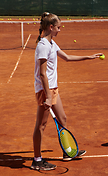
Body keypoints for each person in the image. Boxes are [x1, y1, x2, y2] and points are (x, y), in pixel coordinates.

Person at [31, 12, 103, 171]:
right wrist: (48, 96)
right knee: (41, 126)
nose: (59, 30)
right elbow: (42, 74)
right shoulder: (43, 45)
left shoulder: (51, 44)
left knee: (62, 118)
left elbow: (67, 57)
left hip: (52, 88)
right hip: (45, 89)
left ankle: (67, 152)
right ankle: (37, 160)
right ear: (51, 27)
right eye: (58, 27)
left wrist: (89, 57)